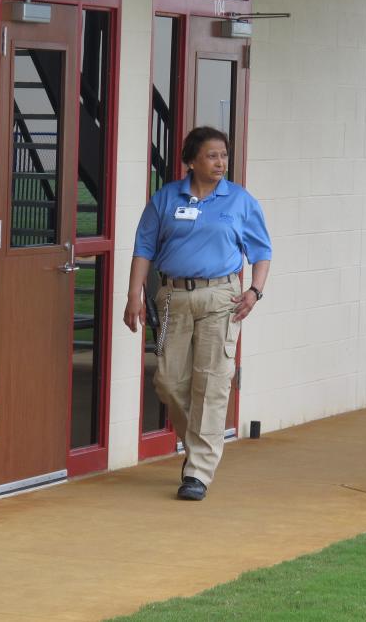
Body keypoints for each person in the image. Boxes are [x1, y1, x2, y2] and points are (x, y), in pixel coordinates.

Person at [124, 126, 272, 501]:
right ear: (191, 160)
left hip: (222, 297)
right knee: (169, 381)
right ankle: (200, 442)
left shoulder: (239, 200)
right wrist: (133, 296)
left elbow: (261, 250)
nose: (220, 162)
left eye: (223, 155)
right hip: (173, 295)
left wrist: (255, 291)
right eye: (211, 155)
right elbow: (143, 247)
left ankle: (198, 472)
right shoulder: (166, 198)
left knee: (212, 382)